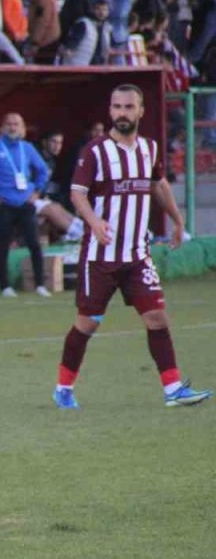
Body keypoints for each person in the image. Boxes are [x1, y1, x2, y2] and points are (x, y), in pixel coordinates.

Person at [53, 84, 211, 410]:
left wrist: (178, 222)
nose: (121, 113)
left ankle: (173, 389)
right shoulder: (95, 152)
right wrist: (94, 224)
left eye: (128, 107)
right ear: (110, 111)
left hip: (138, 255)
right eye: (116, 107)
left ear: (140, 111)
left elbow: (159, 184)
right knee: (89, 322)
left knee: (157, 318)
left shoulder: (150, 149)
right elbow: (77, 193)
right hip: (101, 256)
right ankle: (63, 388)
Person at [0, 113, 52, 297]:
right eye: (9, 124)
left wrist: (37, 191)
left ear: (22, 128)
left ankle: (40, 285)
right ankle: (5, 286)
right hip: (3, 203)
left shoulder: (28, 148)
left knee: (34, 243)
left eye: (17, 124)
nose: (13, 128)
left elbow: (43, 170)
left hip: (25, 202)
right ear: (1, 129)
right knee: (3, 245)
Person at [60, 0, 112, 66]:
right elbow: (73, 40)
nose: (101, 12)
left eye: (104, 10)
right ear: (93, 10)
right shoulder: (84, 24)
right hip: (79, 64)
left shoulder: (107, 27)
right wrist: (69, 49)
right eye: (98, 9)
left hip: (97, 65)